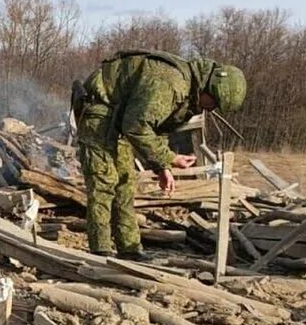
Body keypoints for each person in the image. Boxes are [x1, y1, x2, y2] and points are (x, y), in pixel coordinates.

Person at [74, 49, 246, 259]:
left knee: (125, 184)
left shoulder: (187, 91)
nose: (211, 109)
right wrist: (170, 158)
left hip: (119, 119)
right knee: (104, 182)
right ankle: (99, 252)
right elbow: (136, 126)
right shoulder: (171, 83)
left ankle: (129, 249)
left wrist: (162, 167)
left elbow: (155, 128)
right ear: (210, 89)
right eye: (215, 103)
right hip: (99, 113)